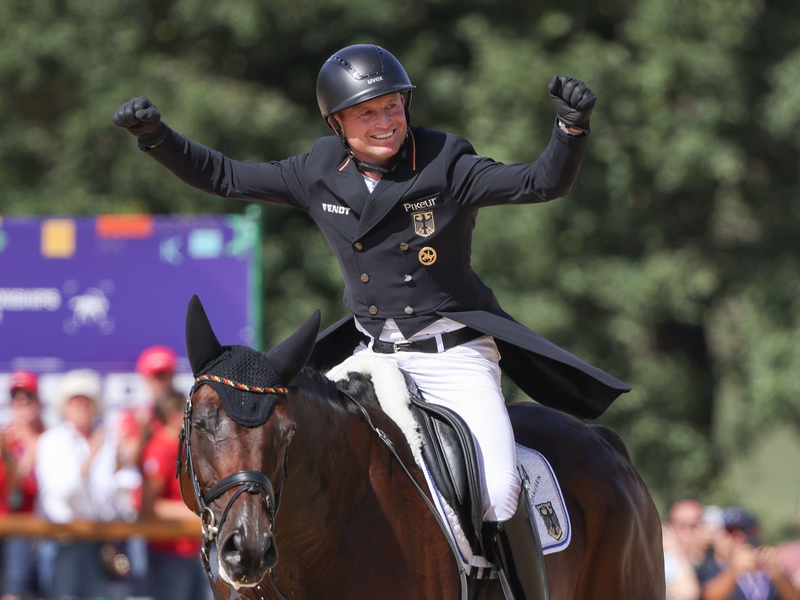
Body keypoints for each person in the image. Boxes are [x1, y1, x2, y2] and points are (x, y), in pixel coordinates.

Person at [113, 43, 631, 598]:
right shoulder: (317, 170)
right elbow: (224, 176)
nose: (386, 123)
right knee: (299, 445)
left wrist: (569, 131)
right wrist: (157, 139)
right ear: (337, 122)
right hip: (370, 355)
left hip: (453, 355)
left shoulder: (445, 161)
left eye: (393, 107)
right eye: (367, 113)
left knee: (500, 489)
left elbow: (539, 183)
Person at [35, 369, 141, 600]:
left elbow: (127, 488)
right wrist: (91, 457)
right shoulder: (51, 441)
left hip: (104, 541)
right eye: (75, 400)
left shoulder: (108, 439)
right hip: (65, 543)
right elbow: (62, 491)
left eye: (87, 399)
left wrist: (122, 463)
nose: (81, 405)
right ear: (64, 406)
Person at [139, 389, 209, 600]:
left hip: (191, 546)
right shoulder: (160, 448)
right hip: (169, 551)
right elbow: (150, 507)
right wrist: (199, 514)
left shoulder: (184, 446)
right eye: (189, 411)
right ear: (172, 414)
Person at [0, 371, 46, 600]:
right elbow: (10, 490)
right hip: (12, 526)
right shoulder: (4, 439)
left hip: (44, 528)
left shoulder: (52, 437)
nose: (23, 404)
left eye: (28, 397)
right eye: (17, 399)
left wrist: (32, 443)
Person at [696, 507, 799, 600]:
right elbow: (708, 597)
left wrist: (777, 575)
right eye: (730, 532)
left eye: (744, 531)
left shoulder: (768, 566)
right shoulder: (710, 565)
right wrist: (733, 571)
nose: (739, 538)